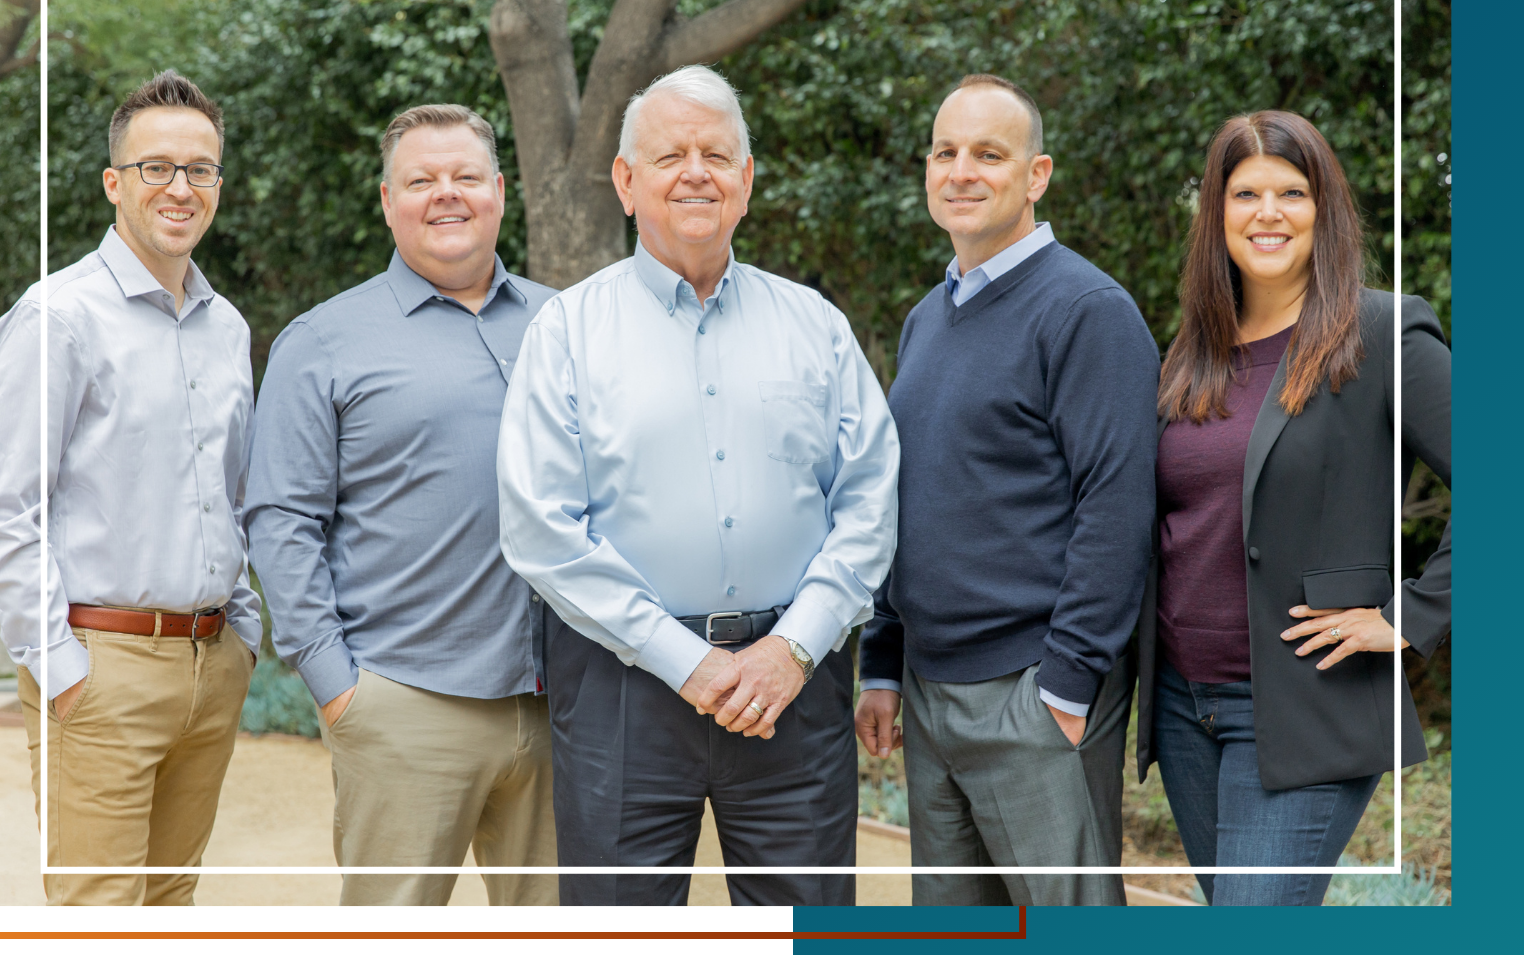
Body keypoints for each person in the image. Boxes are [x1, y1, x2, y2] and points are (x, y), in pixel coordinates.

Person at [496, 65, 900, 907]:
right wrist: (685, 663)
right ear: (625, 181)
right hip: (622, 688)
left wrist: (794, 648)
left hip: (792, 687)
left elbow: (870, 501)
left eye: (716, 155)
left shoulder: (816, 327)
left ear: (746, 180)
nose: (696, 173)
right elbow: (541, 527)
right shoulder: (567, 331)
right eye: (669, 155)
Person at [855, 73, 1161, 907]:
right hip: (930, 694)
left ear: (1037, 175)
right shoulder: (928, 317)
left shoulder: (1087, 310)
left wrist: (1065, 684)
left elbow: (1117, 505)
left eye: (989, 154)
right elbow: (904, 497)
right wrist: (883, 661)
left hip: (1033, 690)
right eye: (945, 152)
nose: (961, 171)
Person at [244, 105, 560, 907]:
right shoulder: (323, 341)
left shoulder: (568, 323)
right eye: (421, 180)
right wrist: (338, 686)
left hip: (563, 705)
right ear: (388, 201)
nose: (445, 193)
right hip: (404, 703)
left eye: (465, 176)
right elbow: (280, 520)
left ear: (499, 191)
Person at [1138, 109, 1450, 905]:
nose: (1267, 213)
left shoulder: (1382, 333)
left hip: (1305, 706)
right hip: (1182, 708)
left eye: (1291, 192)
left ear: (1324, 209)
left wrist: (1408, 616)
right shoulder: (1192, 354)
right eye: (1245, 194)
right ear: (1217, 214)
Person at [0, 70, 261, 906]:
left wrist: (243, 634)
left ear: (218, 183)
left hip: (211, 662)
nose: (180, 188)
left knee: (173, 896)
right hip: (100, 665)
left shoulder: (228, 328)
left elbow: (233, 495)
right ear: (114, 182)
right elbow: (4, 508)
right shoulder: (58, 317)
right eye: (156, 167)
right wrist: (62, 668)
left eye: (200, 169)